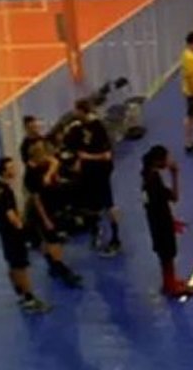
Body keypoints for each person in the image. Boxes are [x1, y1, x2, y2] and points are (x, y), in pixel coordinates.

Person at [0, 158, 51, 313]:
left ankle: (20, 294)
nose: (15, 169)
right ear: (5, 171)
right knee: (21, 267)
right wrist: (22, 229)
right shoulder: (6, 191)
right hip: (13, 234)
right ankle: (30, 298)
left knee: (13, 264)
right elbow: (10, 214)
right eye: (11, 167)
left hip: (4, 233)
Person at [23, 143, 83, 288]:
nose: (46, 158)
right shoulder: (30, 175)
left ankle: (54, 265)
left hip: (53, 205)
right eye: (43, 156)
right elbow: (37, 199)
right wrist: (45, 219)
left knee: (52, 241)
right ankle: (62, 270)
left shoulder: (45, 164)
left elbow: (55, 162)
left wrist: (49, 172)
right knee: (52, 241)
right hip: (41, 211)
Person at [67, 100, 121, 257]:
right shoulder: (77, 128)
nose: (75, 114)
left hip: (101, 174)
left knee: (109, 206)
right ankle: (95, 231)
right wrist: (79, 159)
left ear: (83, 111)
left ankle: (116, 239)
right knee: (90, 207)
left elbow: (106, 156)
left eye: (77, 111)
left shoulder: (98, 128)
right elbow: (75, 149)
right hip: (87, 174)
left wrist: (87, 157)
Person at [141, 145, 193, 300]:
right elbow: (174, 197)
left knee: (165, 255)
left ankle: (169, 282)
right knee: (167, 255)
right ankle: (171, 287)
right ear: (159, 161)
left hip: (156, 222)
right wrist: (175, 174)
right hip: (161, 224)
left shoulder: (148, 177)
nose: (169, 160)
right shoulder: (154, 182)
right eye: (167, 158)